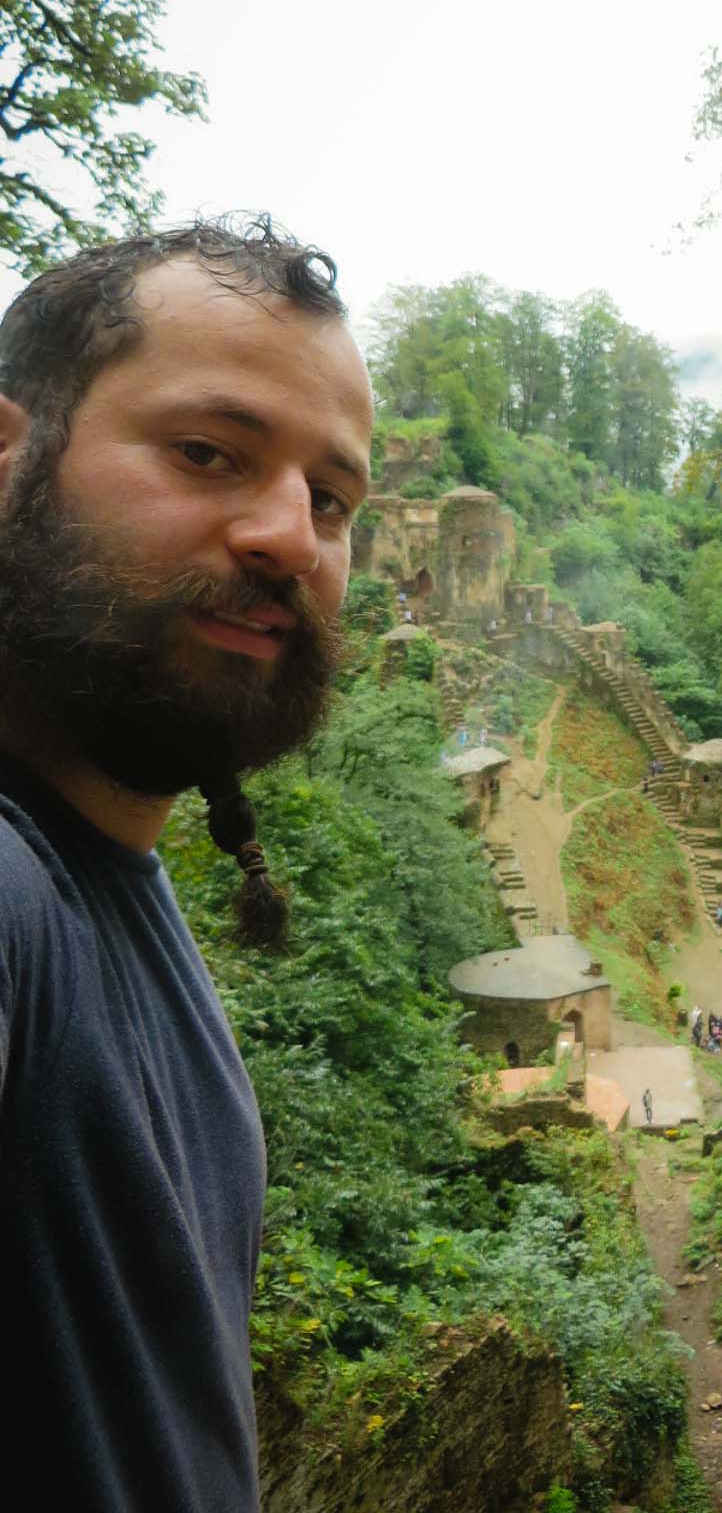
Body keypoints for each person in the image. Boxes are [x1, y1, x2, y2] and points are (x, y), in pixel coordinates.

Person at [0, 221, 374, 1513]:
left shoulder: (113, 877)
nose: (289, 536)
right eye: (208, 453)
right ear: (8, 459)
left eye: (332, 499)